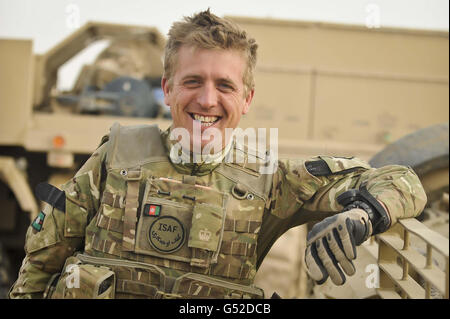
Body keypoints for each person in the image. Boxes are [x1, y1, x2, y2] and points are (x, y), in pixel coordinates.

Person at [9, 9, 426, 299]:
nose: (207, 100)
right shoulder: (116, 156)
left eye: (224, 86)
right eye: (193, 81)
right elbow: (42, 263)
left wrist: (362, 214)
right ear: (168, 87)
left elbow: (403, 181)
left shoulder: (272, 181)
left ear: (247, 98)